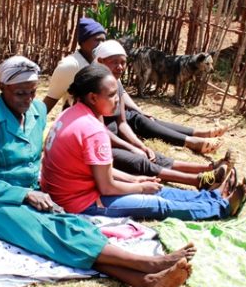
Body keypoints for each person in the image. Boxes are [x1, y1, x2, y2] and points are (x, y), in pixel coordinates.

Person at [0, 56, 197, 287]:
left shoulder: (37, 112)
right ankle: (147, 264)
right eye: (19, 93)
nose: (28, 99)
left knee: (73, 227)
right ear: (2, 87)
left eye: (33, 91)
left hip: (34, 194)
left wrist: (37, 192)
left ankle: (145, 283)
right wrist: (25, 194)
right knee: (47, 232)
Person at [40, 65, 246, 220]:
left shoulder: (70, 113)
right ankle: (221, 208)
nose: (118, 99)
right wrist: (139, 188)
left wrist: (136, 180)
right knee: (157, 203)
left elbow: (101, 172)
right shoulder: (92, 130)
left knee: (154, 188)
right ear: (93, 97)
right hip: (80, 203)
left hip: (69, 191)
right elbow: (106, 186)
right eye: (112, 95)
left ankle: (212, 196)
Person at [92, 40, 234, 190]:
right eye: (115, 62)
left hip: (114, 140)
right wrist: (131, 147)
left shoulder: (115, 83)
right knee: (140, 161)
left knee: (152, 155)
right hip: (99, 146)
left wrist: (140, 146)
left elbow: (122, 123)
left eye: (123, 62)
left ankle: (209, 168)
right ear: (100, 61)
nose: (120, 67)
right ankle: (199, 181)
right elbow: (101, 132)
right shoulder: (92, 88)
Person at [42, 17, 106, 113]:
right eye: (97, 40)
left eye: (103, 40)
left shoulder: (104, 62)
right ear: (83, 42)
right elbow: (49, 102)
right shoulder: (69, 66)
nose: (101, 44)